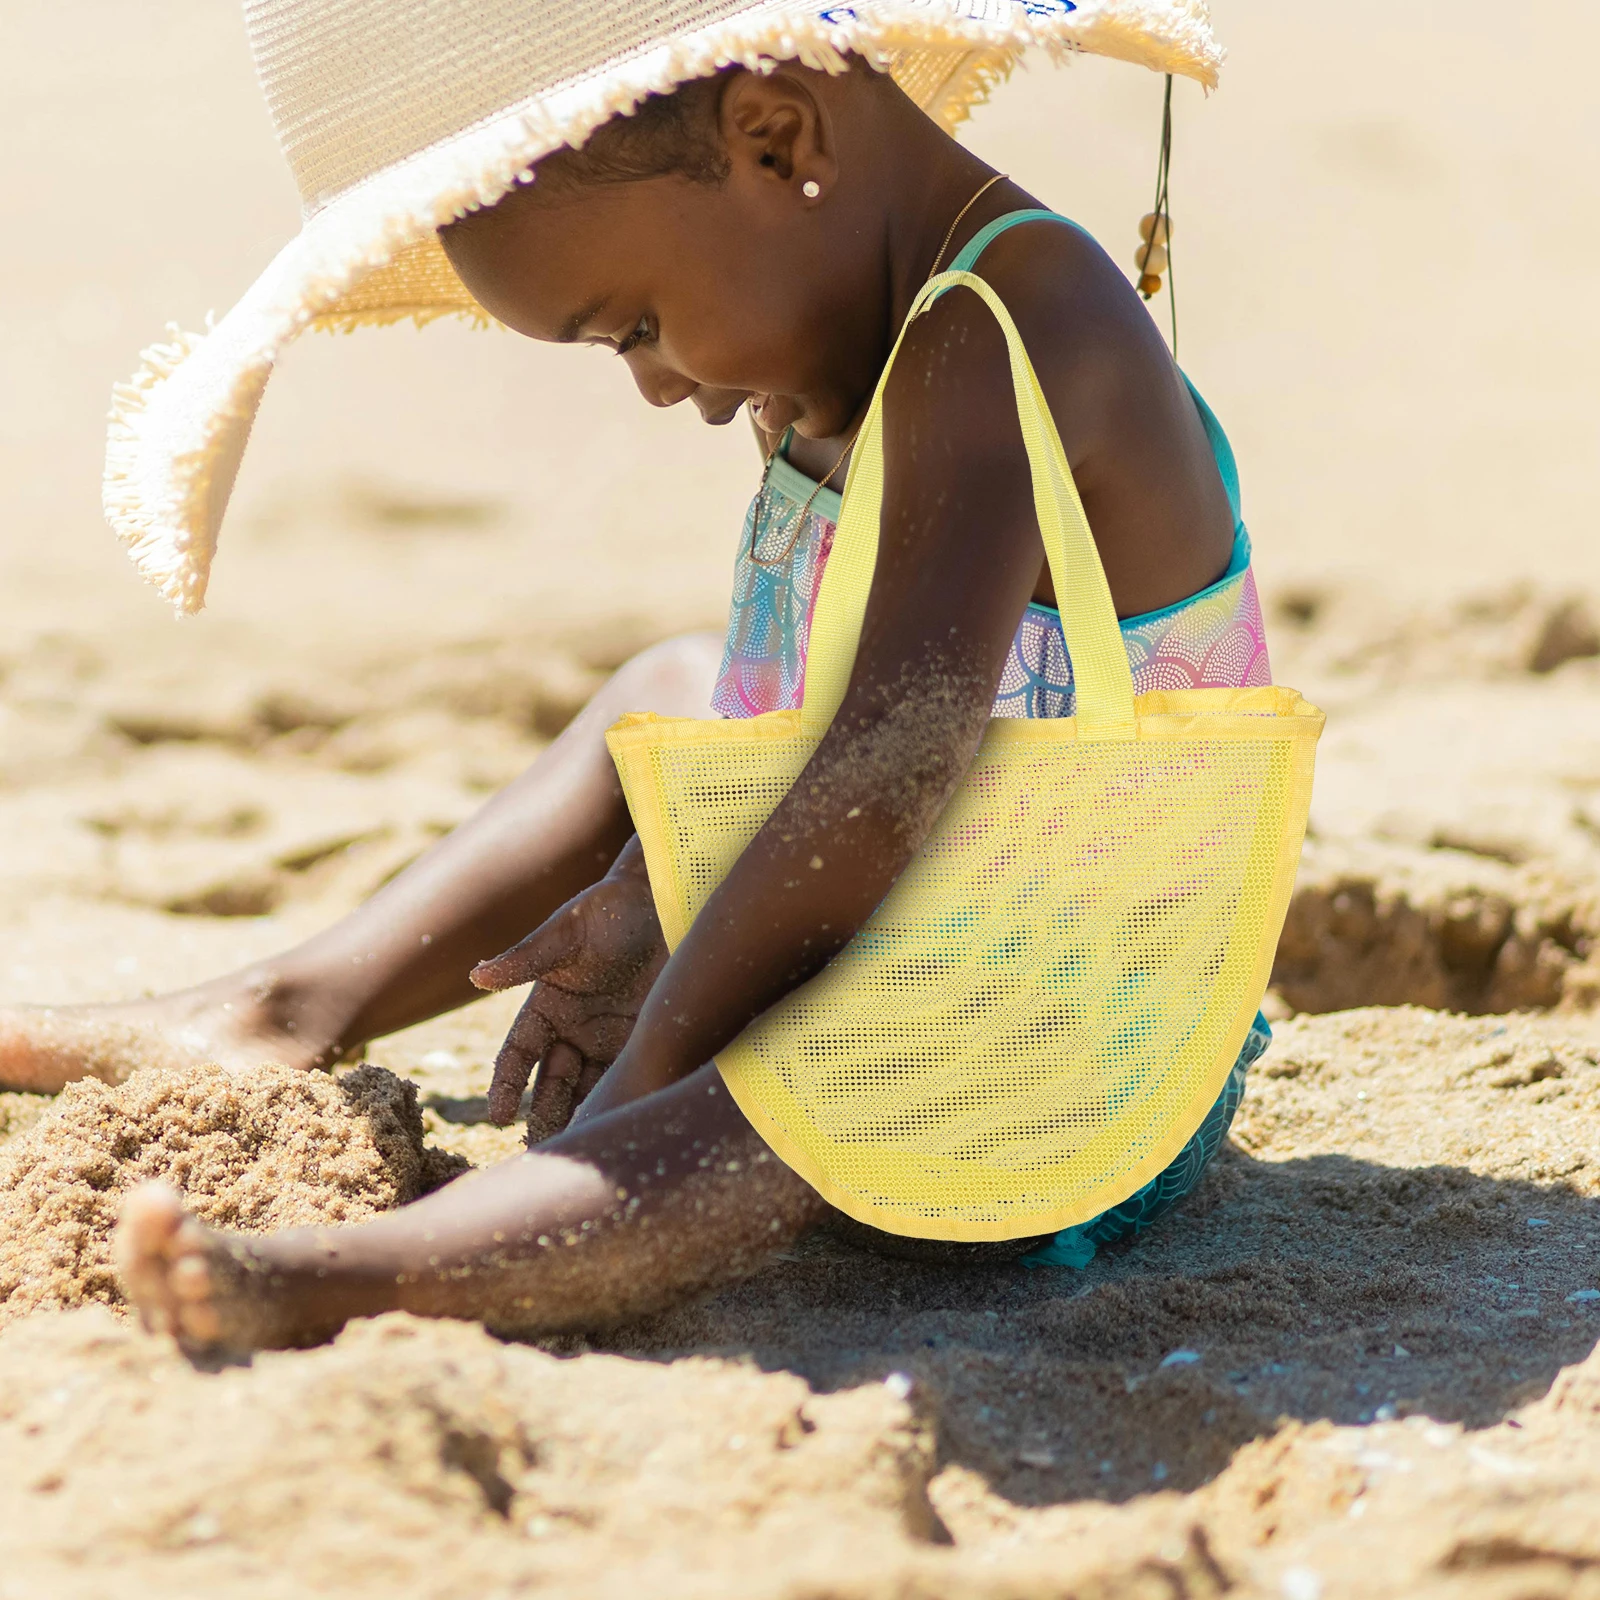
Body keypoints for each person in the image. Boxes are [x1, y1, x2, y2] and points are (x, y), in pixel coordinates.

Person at [7, 7, 1275, 1352]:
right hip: (940, 893)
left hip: (1067, 1041)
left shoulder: (1002, 336)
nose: (657, 390)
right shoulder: (848, 328)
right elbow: (819, 726)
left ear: (777, 140)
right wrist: (666, 888)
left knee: (765, 1100)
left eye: (634, 327)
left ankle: (349, 1280)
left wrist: (657, 1064)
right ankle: (283, 1008)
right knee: (666, 686)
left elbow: (882, 776)